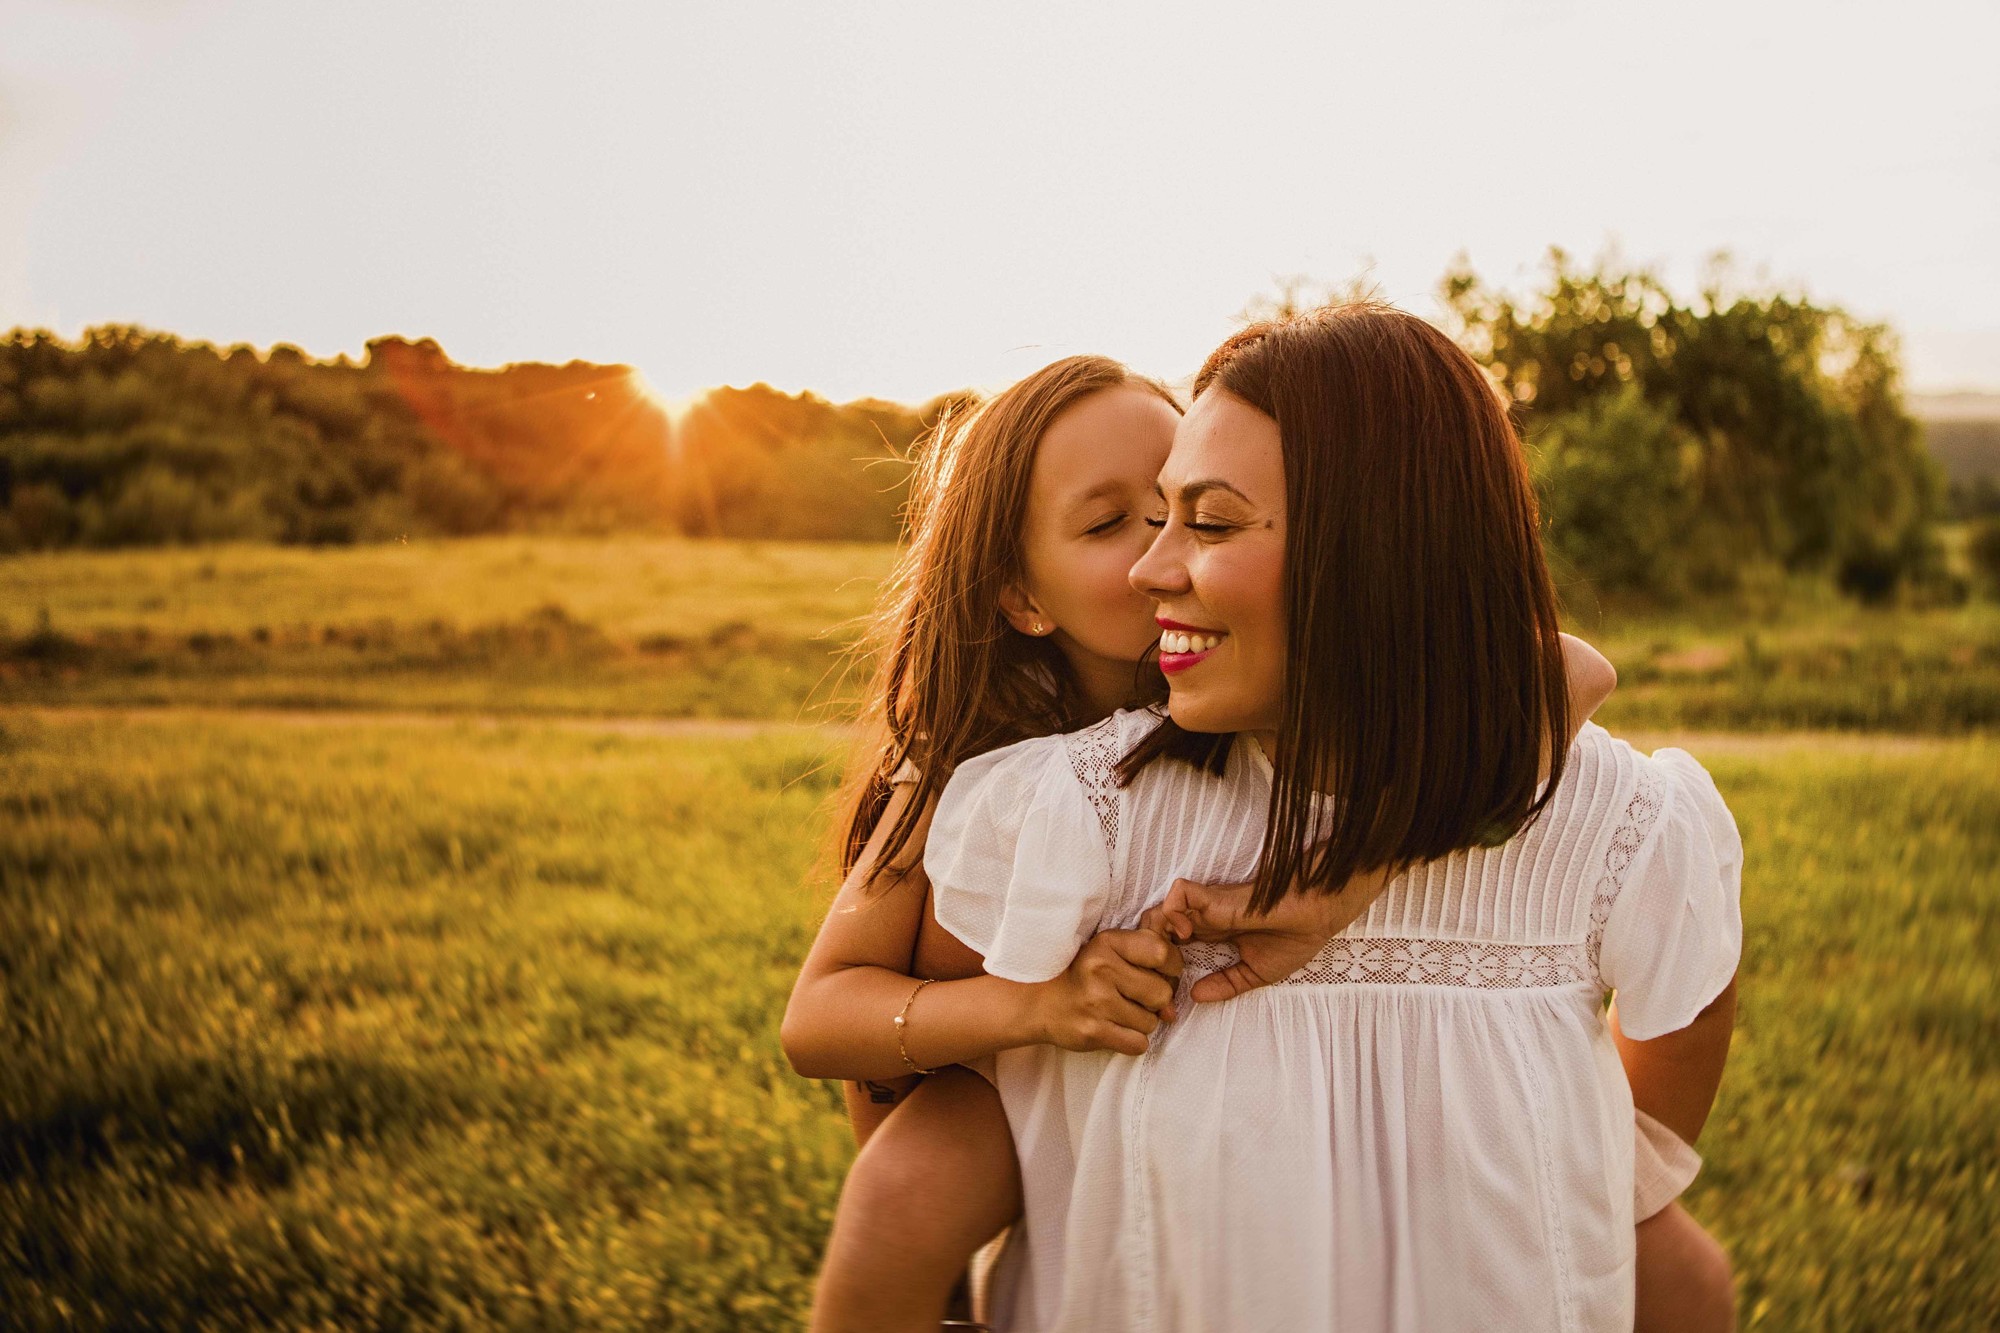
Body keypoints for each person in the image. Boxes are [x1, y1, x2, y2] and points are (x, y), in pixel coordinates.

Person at [923, 304, 1742, 1330]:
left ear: (1376, 548)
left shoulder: (1615, 822)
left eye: (1209, 520)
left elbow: (1688, 1003)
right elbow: (904, 1081)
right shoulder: (1081, 812)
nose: (1150, 568)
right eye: (1153, 516)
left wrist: (1587, 1189)